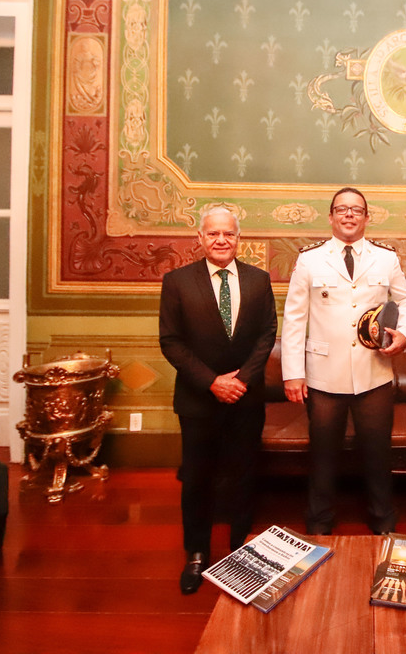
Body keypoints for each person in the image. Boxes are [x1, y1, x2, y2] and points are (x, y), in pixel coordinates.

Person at [281, 187, 406, 534]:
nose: (349, 215)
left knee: (377, 455)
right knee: (323, 457)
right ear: (330, 217)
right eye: (341, 209)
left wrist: (403, 334)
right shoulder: (309, 260)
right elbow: (295, 318)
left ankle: (383, 521)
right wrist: (293, 374)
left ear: (367, 217)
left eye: (357, 209)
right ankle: (320, 522)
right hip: (323, 377)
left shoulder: (386, 258)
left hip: (375, 375)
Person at [159, 207, 277, 594]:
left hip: (246, 397)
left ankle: (239, 545)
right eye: (213, 234)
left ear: (238, 238)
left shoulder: (259, 280)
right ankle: (196, 553)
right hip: (198, 399)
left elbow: (267, 334)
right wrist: (212, 382)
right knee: (196, 478)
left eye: (228, 234)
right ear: (200, 238)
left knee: (243, 472)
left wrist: (241, 380)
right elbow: (171, 341)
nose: (221, 240)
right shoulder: (177, 282)